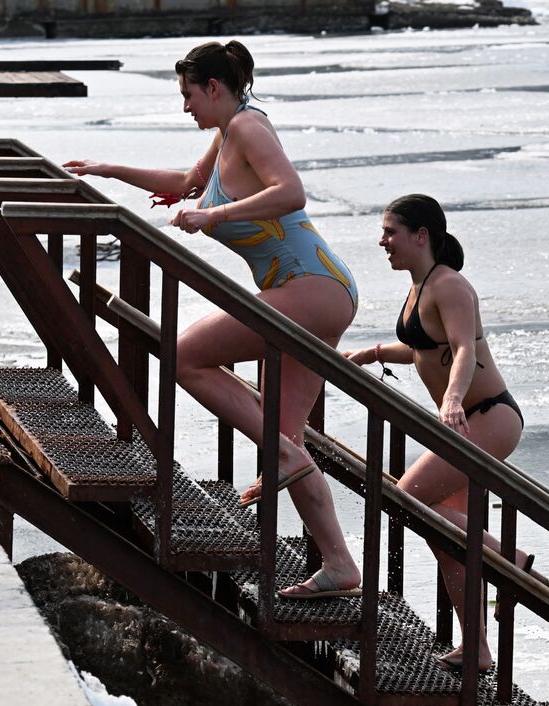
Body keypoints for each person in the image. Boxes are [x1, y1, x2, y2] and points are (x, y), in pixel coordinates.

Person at [64, 40, 361, 599]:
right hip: (308, 290)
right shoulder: (227, 133)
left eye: (188, 95)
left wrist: (213, 215)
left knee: (187, 356)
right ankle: (341, 564)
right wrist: (108, 169)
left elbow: (290, 192)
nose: (186, 107)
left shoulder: (248, 128)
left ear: (215, 88)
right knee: (280, 440)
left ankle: (291, 461)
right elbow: (182, 184)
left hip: (311, 285)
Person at [346, 194, 530, 670]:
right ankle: (479, 648)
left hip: (486, 416)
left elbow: (464, 351)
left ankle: (508, 557)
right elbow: (425, 349)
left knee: (405, 499)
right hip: (466, 422)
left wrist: (450, 400)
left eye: (391, 232)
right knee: (443, 537)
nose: (383, 241)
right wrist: (374, 354)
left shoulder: (450, 285)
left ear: (421, 235)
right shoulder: (420, 285)